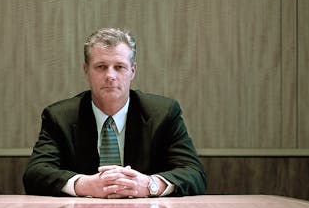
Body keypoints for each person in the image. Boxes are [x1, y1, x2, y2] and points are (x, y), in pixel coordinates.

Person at [23, 27, 206, 198]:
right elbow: (35, 173)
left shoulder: (163, 113)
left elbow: (194, 173)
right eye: (101, 67)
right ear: (86, 71)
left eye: (119, 67)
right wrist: (85, 185)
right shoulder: (59, 117)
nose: (110, 75)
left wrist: (150, 185)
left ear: (132, 71)